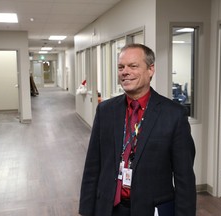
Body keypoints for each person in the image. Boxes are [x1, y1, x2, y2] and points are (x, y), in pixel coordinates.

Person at [79, 44, 196, 216]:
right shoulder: (105, 111)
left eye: (133, 66)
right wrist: (86, 210)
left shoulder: (174, 115)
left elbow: (184, 177)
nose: (125, 72)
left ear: (151, 70)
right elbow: (92, 166)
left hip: (152, 209)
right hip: (109, 207)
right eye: (121, 67)